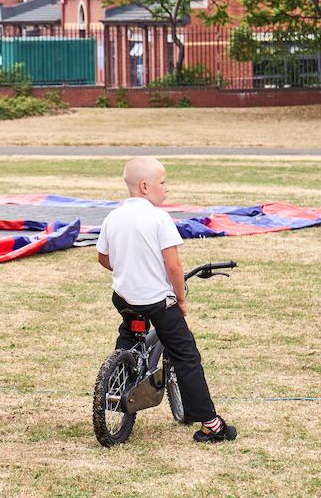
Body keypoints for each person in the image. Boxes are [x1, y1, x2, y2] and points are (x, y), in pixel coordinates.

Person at [96, 157, 238, 443]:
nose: (167, 188)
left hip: (124, 298)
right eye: (163, 182)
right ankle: (211, 424)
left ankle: (116, 386)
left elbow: (104, 258)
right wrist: (181, 300)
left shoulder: (114, 217)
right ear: (145, 186)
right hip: (156, 300)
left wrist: (127, 267)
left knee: (129, 336)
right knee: (186, 354)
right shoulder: (159, 218)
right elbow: (173, 267)